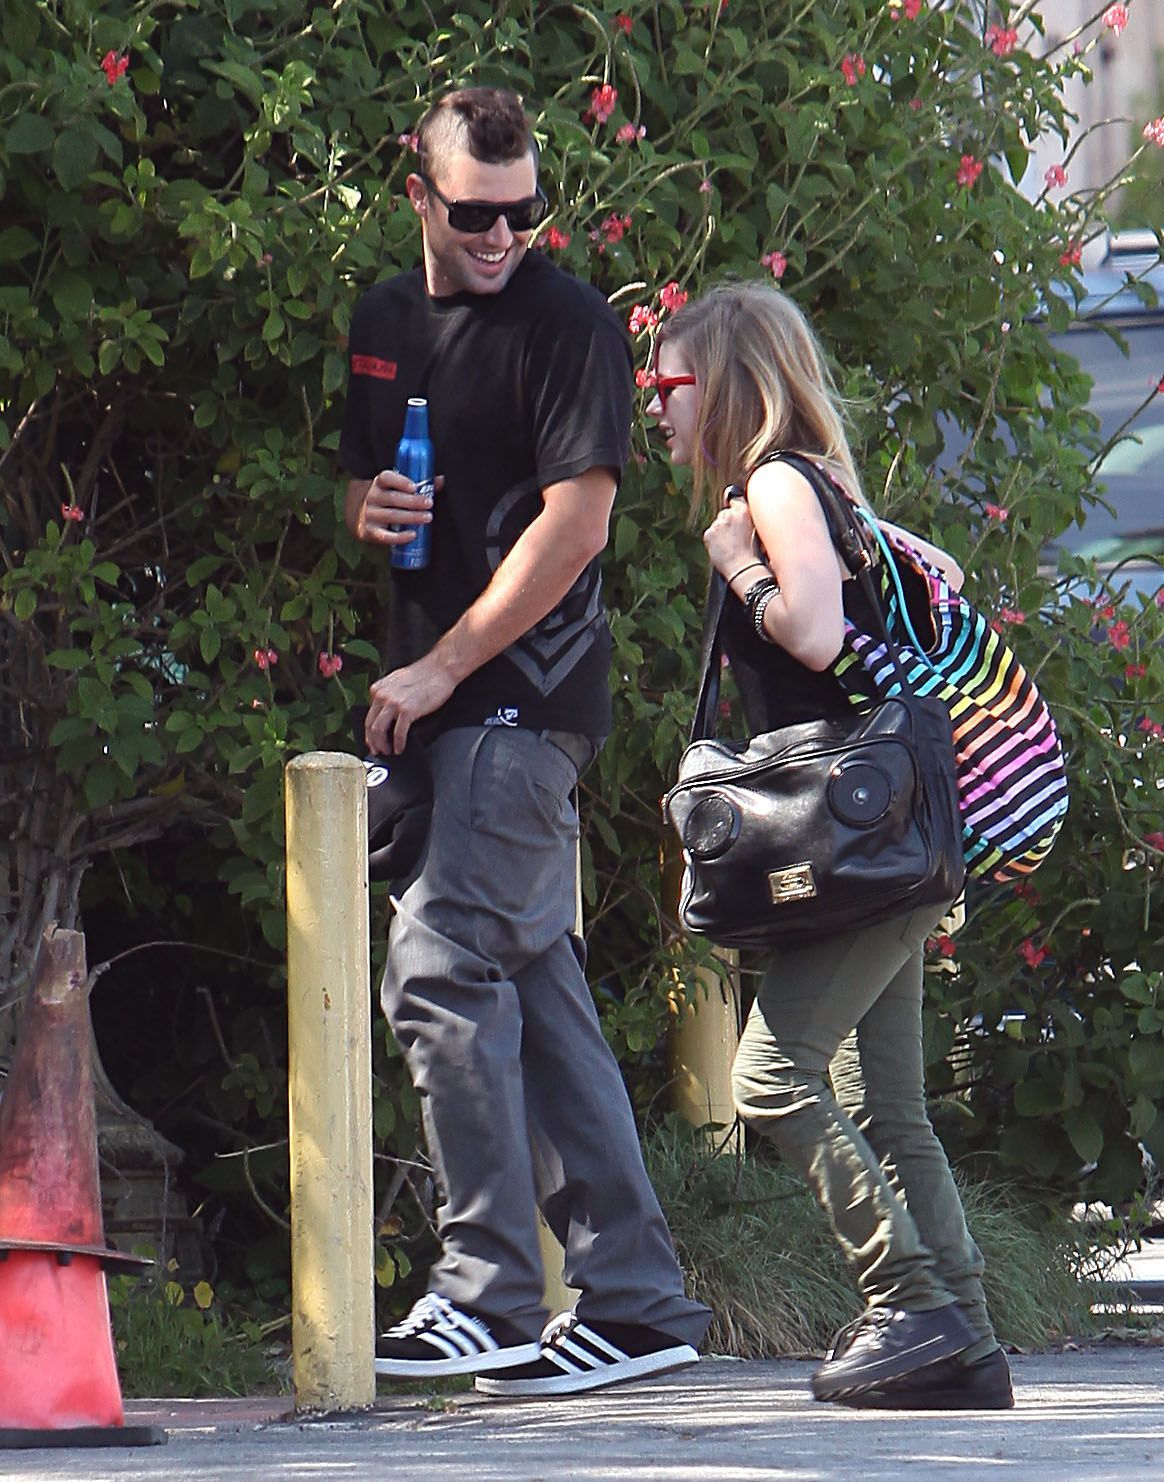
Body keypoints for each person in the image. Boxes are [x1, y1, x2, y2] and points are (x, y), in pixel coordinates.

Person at [338, 86, 710, 1397]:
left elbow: (576, 527)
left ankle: (488, 1291)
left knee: (438, 964)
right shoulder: (386, 321)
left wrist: (444, 664)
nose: (501, 236)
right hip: (438, 702)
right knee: (536, 996)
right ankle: (637, 1302)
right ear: (418, 197)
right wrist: (366, 506)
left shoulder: (569, 324)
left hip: (521, 701)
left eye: (524, 212)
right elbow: (361, 479)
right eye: (474, 214)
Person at [649, 280, 1013, 1411]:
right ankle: (965, 1344)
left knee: (770, 1078)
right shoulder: (825, 486)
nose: (654, 405)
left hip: (859, 845)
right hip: (889, 841)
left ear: (724, 382)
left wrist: (740, 565)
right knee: (888, 1105)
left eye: (668, 383)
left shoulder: (773, 485)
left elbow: (809, 630)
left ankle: (909, 1303)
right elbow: (906, 599)